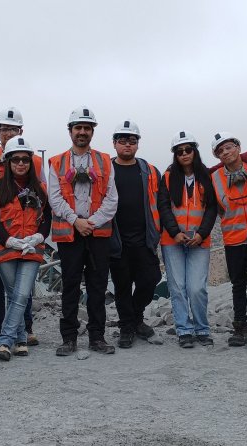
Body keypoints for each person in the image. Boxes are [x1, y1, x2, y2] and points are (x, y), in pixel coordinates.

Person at [48, 106, 118, 356]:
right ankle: (69, 338)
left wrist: (92, 222)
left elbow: (112, 198)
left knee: (98, 285)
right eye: (78, 127)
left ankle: (97, 336)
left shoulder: (104, 161)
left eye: (87, 128)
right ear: (70, 131)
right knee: (70, 285)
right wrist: (75, 220)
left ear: (92, 132)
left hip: (96, 232)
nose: (82, 132)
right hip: (70, 232)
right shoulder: (57, 162)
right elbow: (54, 198)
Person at [0, 107, 43, 348]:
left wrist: (36, 234)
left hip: (26, 233)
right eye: (4, 129)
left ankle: (26, 328)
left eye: (13, 129)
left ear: (20, 130)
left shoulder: (34, 159)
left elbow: (41, 195)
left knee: (22, 283)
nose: (8, 133)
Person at [0, 136, 52, 360]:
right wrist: (8, 240)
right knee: (14, 295)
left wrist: (38, 237)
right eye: (16, 159)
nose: (21, 163)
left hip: (31, 250)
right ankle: (21, 338)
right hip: (5, 249)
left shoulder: (41, 189)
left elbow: (47, 218)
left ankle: (5, 342)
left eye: (25, 159)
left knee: (21, 294)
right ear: (8, 162)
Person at [157, 131, 217, 348]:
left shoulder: (207, 176)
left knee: (196, 288)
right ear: (175, 154)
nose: (184, 154)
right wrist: (175, 232)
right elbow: (163, 207)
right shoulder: (168, 177)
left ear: (195, 151)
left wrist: (201, 234)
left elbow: (211, 208)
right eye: (179, 151)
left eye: (188, 149)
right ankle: (184, 330)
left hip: (199, 241)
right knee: (178, 287)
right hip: (173, 241)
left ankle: (202, 328)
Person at [107, 120, 162, 349]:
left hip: (144, 239)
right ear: (114, 143)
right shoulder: (106, 169)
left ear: (138, 144)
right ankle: (128, 326)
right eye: (122, 140)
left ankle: (135, 316)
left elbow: (161, 201)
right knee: (121, 286)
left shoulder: (149, 170)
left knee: (150, 280)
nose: (127, 145)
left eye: (132, 140)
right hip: (116, 239)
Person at [209, 132, 247, 347]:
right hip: (233, 239)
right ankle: (240, 326)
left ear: (238, 148)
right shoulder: (215, 178)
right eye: (220, 151)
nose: (226, 152)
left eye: (229, 147)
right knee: (238, 285)